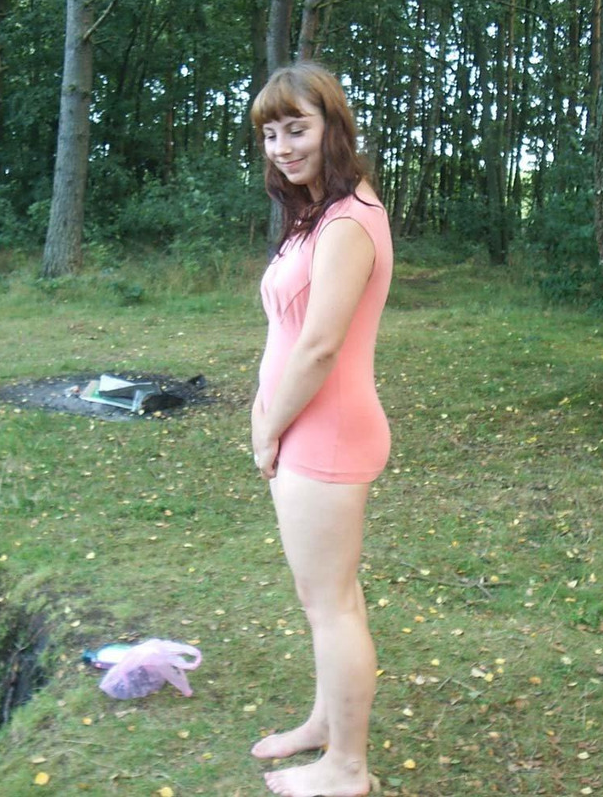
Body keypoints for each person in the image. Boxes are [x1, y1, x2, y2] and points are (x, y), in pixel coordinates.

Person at [249, 61, 393, 797]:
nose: (282, 146)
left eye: (296, 128)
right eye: (270, 133)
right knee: (333, 597)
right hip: (306, 430)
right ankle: (324, 725)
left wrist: (268, 427)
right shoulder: (318, 213)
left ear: (333, 126)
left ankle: (347, 768)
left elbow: (319, 347)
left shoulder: (347, 222)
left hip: (324, 432)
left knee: (330, 605)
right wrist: (264, 411)